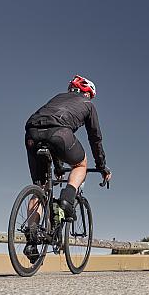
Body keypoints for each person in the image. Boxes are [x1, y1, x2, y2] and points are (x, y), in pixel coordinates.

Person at [23, 75, 112, 262]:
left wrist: (57, 166)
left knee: (40, 187)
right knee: (80, 164)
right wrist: (102, 166)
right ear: (88, 93)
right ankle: (67, 199)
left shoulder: (58, 97)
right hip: (60, 132)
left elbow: (47, 129)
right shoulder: (88, 104)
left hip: (31, 132)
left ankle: (31, 239)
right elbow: (95, 138)